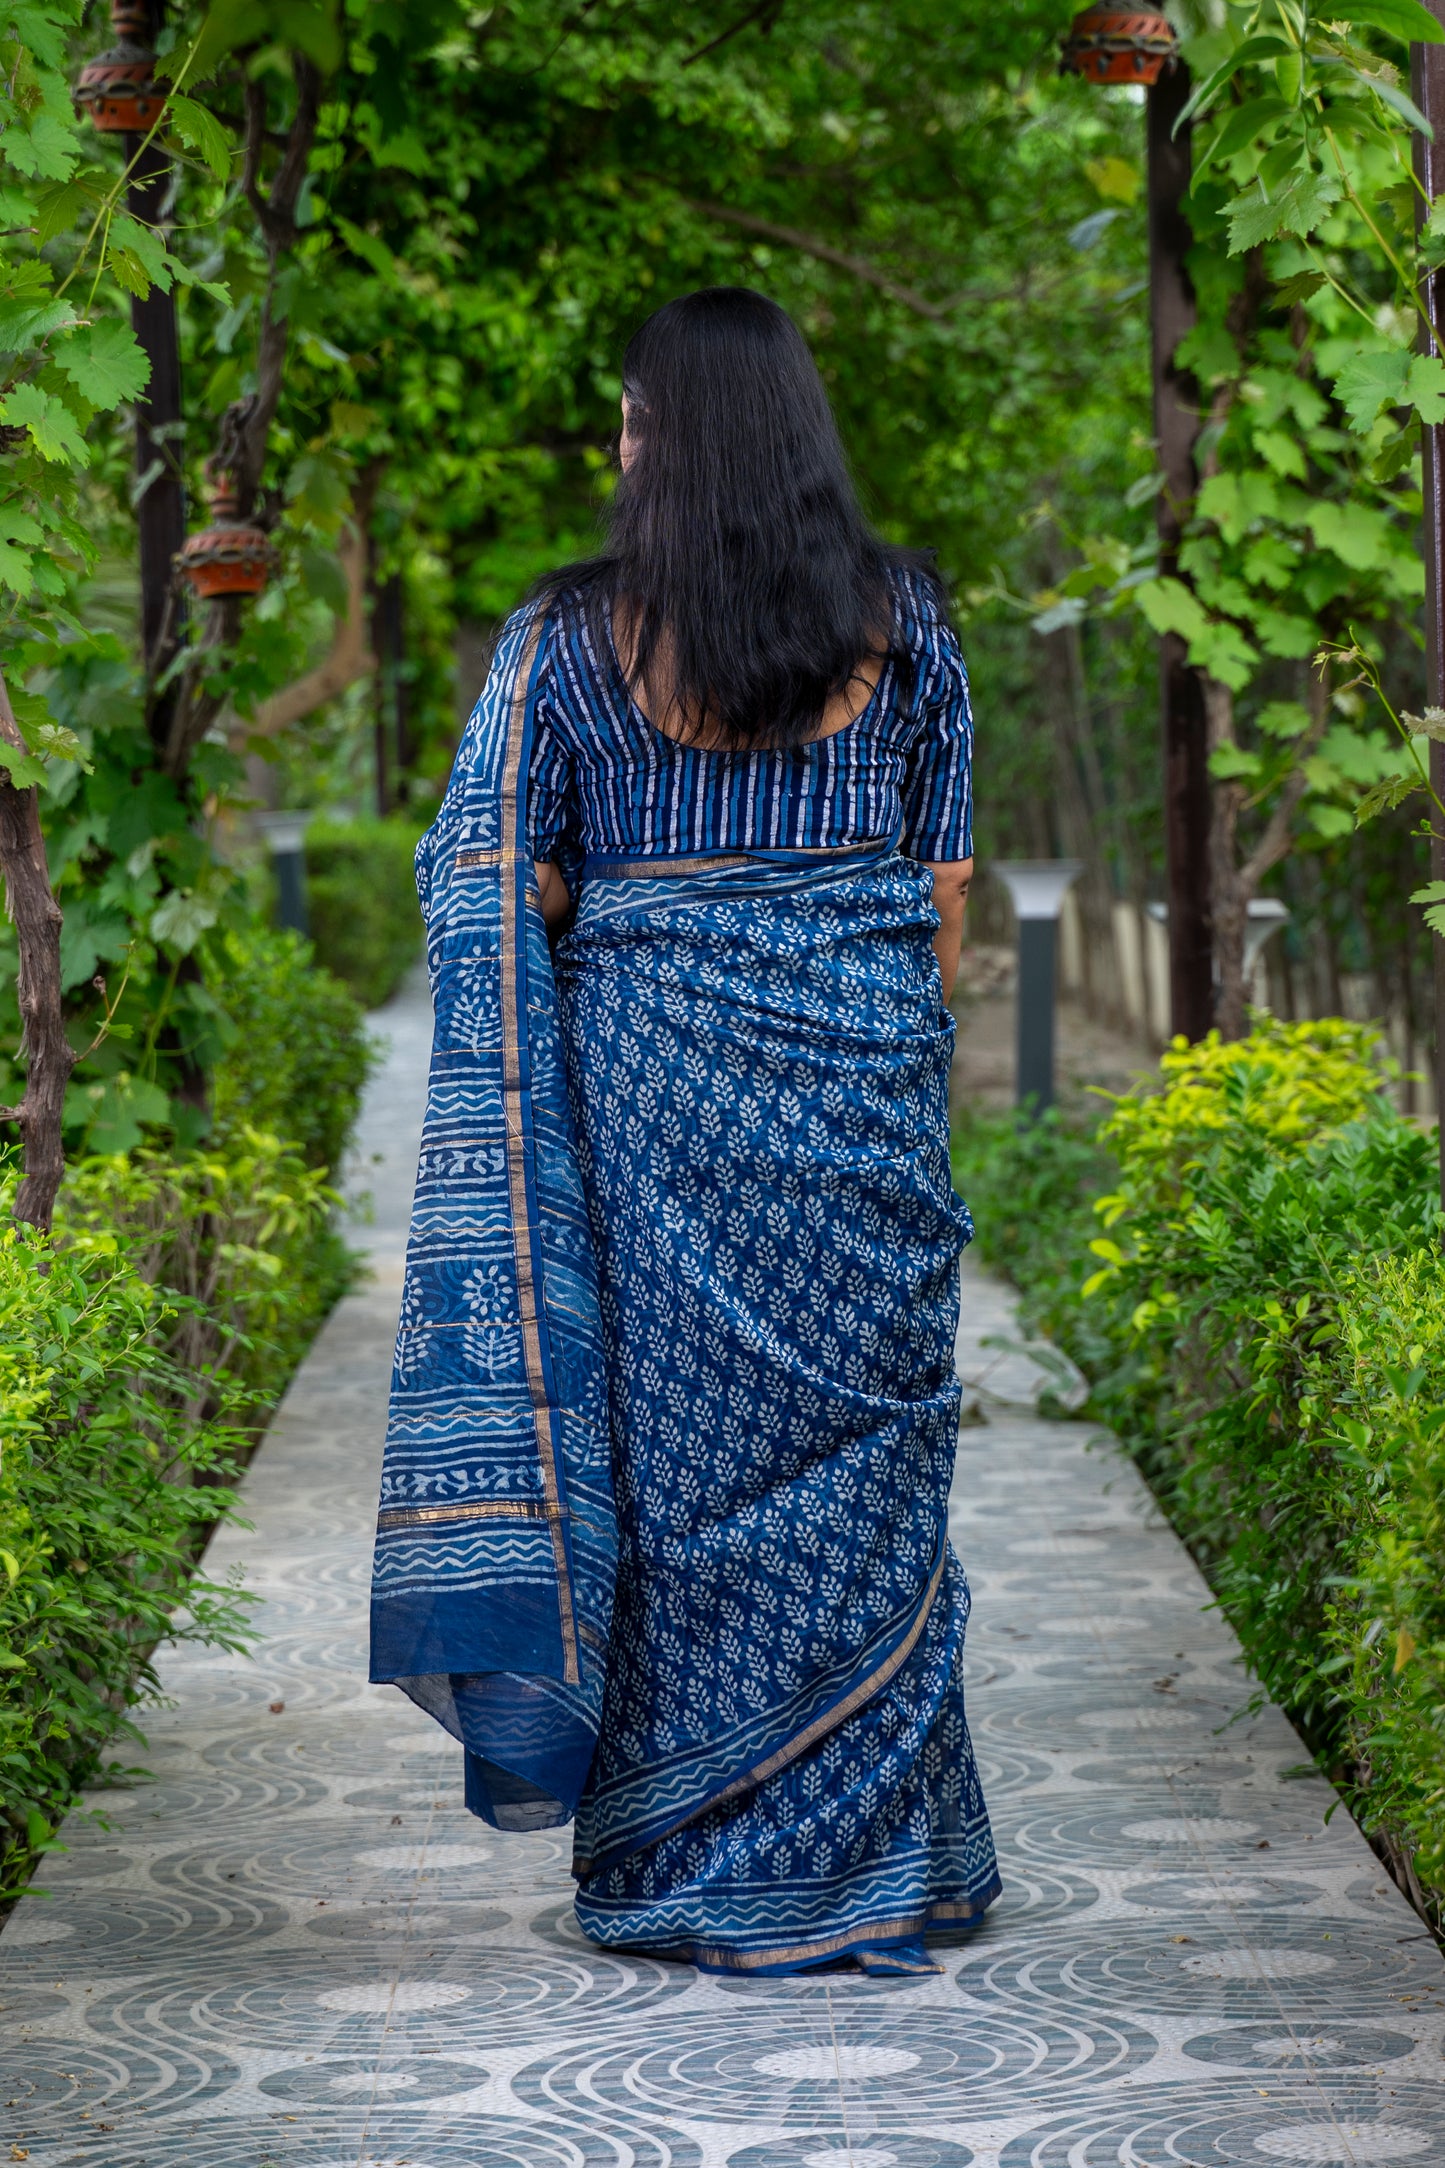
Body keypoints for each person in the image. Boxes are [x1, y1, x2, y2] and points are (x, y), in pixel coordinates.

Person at [370, 286, 999, 1976]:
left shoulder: (559, 643)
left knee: (679, 1477)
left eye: (631, 417)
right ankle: (875, 1872)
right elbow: (938, 881)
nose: (616, 444)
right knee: (871, 1476)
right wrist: (866, 1026)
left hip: (653, 1100)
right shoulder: (909, 622)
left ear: (671, 439)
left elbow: (484, 873)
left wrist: (598, 909)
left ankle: (684, 1868)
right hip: (861, 1089)